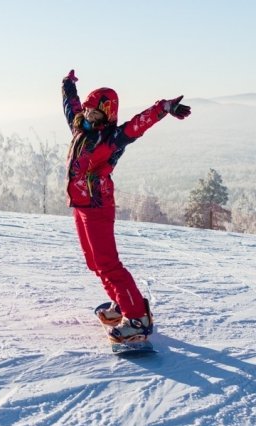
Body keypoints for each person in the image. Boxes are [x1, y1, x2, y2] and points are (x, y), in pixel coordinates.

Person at [61, 69, 191, 343]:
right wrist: (68, 84)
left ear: (107, 115)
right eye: (88, 111)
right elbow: (70, 105)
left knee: (108, 264)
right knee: (94, 263)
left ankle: (137, 318)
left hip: (97, 206)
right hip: (81, 205)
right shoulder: (79, 125)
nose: (89, 116)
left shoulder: (113, 138)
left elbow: (138, 124)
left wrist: (164, 108)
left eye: (96, 114)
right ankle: (121, 303)